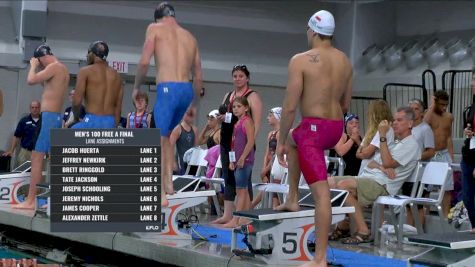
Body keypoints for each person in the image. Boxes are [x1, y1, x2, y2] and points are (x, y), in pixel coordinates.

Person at [274, 10, 352, 267]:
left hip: (314, 131)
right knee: (299, 137)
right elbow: (345, 103)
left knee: (322, 196)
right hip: (335, 127)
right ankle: (292, 199)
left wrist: (280, 141)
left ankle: (319, 260)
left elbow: (289, 107)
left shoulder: (300, 60)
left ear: (313, 31)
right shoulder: (345, 61)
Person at [133, 2, 203, 207]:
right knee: (166, 139)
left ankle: (160, 193)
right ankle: (168, 184)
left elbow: (145, 61)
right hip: (186, 90)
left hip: (167, 89)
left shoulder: (154, 28)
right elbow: (198, 75)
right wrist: (195, 104)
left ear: (158, 17)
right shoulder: (190, 37)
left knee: (157, 139)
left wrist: (136, 87)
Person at [329, 107, 419, 245]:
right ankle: (344, 225)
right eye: (394, 119)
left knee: (343, 186)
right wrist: (382, 167)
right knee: (327, 183)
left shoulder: (411, 144)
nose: (394, 123)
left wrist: (382, 136)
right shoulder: (394, 142)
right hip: (369, 177)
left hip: (382, 184)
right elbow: (371, 163)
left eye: (399, 120)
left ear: (410, 124)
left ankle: (363, 230)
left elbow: (388, 162)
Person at [13, 44, 69, 209]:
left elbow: (31, 80)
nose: (41, 65)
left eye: (40, 62)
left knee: (36, 160)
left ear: (42, 57)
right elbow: (49, 88)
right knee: (53, 161)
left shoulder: (53, 67)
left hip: (48, 118)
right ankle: (52, 201)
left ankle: (31, 201)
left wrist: (33, 66)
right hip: (56, 118)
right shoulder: (63, 69)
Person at [211, 64, 263, 225]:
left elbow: (257, 123)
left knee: (243, 182)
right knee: (228, 178)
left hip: (243, 144)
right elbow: (226, 116)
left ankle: (244, 216)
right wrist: (219, 127)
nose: (238, 79)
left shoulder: (252, 96)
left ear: (247, 78)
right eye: (235, 76)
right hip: (228, 142)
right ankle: (228, 214)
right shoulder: (229, 95)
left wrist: (249, 146)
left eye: (241, 76)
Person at [72, 41, 123, 128]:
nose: (87, 56)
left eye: (88, 53)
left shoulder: (85, 71)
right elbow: (118, 107)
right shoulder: (118, 76)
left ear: (93, 54)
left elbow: (77, 102)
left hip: (92, 120)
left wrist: (76, 117)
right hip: (110, 122)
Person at [401, 98, 435, 226]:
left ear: (422, 112)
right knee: (408, 206)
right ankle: (409, 232)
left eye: (416, 109)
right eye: (411, 109)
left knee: (418, 206)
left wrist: (415, 156)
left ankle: (419, 234)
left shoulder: (425, 129)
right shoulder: (407, 128)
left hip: (419, 174)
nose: (413, 111)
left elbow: (431, 151)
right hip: (407, 173)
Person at [224, 96, 255, 228]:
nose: (236, 109)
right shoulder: (236, 123)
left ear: (246, 108)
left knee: (240, 190)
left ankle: (235, 219)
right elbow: (232, 144)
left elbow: (251, 141)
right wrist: (232, 161)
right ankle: (245, 218)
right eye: (234, 107)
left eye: (239, 107)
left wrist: (242, 157)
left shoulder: (247, 121)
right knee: (243, 191)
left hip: (245, 160)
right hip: (237, 160)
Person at [424, 90, 454, 217]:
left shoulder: (449, 117)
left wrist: (451, 157)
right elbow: (424, 124)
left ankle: (445, 213)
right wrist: (432, 105)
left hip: (444, 153)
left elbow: (448, 137)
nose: (444, 107)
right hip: (431, 154)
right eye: (441, 104)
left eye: (445, 104)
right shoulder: (429, 114)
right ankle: (425, 212)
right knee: (427, 188)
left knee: (447, 188)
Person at [251, 107, 284, 209]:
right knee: (268, 188)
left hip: (277, 167)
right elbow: (267, 153)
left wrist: (265, 170)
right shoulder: (271, 134)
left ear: (278, 117)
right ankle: (251, 206)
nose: (267, 118)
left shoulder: (281, 134)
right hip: (270, 167)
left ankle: (251, 206)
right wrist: (263, 169)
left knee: (274, 191)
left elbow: (277, 155)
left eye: (270, 116)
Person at [356, 99, 394, 174]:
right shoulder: (372, 130)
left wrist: (363, 150)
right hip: (367, 170)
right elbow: (358, 154)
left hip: (374, 171)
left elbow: (366, 153)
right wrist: (362, 151)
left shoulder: (384, 128)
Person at [2, 101, 41, 167]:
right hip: (25, 152)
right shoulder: (24, 120)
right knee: (22, 174)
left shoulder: (44, 121)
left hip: (39, 153)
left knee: (38, 174)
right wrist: (11, 151)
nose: (34, 109)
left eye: (36, 107)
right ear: (30, 108)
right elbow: (16, 136)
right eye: (32, 107)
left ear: (40, 108)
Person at [461, 67, 475, 234]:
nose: (473, 83)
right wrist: (467, 132)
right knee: (467, 196)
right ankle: (474, 225)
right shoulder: (472, 104)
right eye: (472, 80)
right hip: (468, 155)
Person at [170, 108, 198, 175]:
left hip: (192, 162)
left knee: (191, 183)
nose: (189, 117)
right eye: (188, 114)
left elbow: (196, 148)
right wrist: (173, 162)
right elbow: (170, 146)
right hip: (180, 162)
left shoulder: (195, 129)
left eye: (191, 115)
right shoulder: (178, 129)